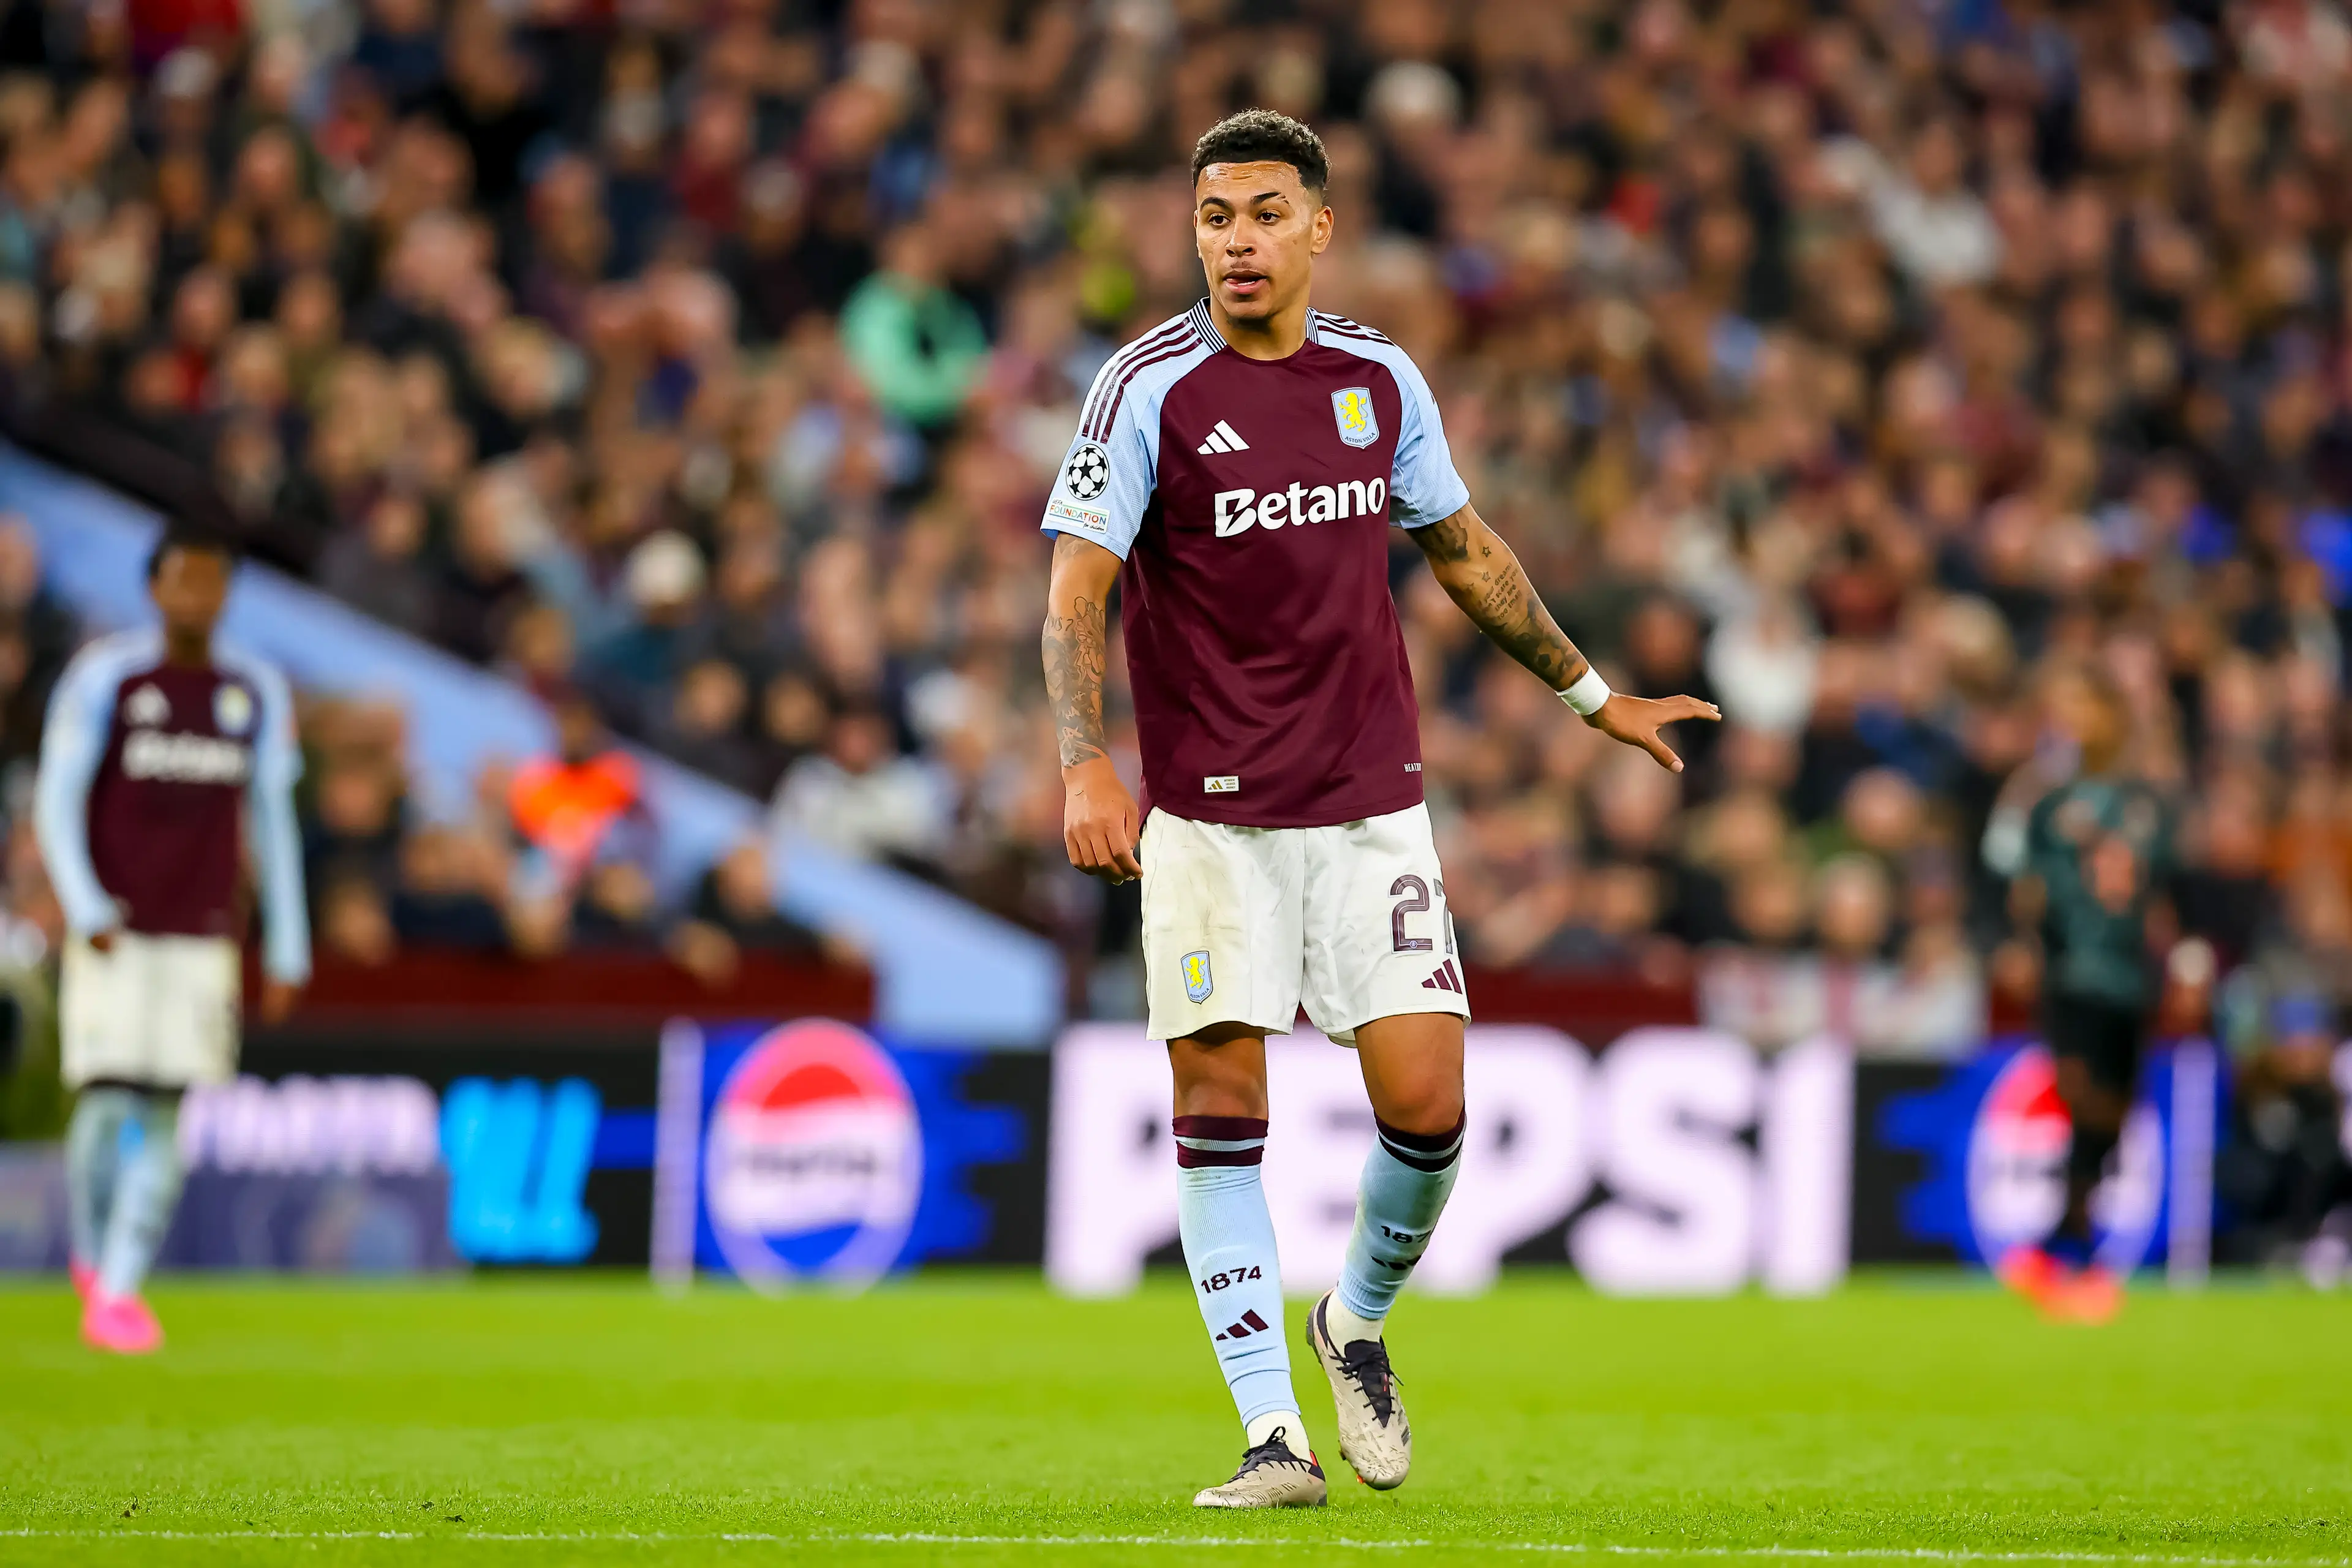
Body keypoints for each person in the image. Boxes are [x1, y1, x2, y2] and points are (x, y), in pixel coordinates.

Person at [1037, 110, 1716, 1509]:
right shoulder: (1144, 385)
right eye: (1215, 215)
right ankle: (1270, 1435)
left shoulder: (1377, 378)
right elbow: (1075, 592)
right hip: (1213, 824)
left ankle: (1352, 1317)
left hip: (1366, 809)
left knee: (1428, 1103)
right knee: (1222, 1109)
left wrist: (1599, 699)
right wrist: (1082, 761)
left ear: (1317, 227)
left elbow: (1461, 549)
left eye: (1264, 213)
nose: (1237, 239)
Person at [32, 525, 309, 1354]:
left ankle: (119, 1286)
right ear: (153, 588)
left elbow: (273, 820)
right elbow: (57, 797)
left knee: (166, 1109)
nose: (199, 599)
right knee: (105, 1100)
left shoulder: (253, 689)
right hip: (117, 926)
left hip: (202, 934)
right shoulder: (107, 678)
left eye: (213, 585)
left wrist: (288, 944)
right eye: (184, 583)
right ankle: (91, 1256)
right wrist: (85, 906)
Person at [1986, 666, 2177, 1324]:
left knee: (2114, 1113)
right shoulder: (2046, 800)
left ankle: (2063, 1246)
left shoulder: (2147, 804)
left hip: (2130, 977)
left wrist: (2184, 964)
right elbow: (2022, 885)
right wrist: (2023, 944)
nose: (2075, 723)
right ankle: (2070, 1251)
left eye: (2086, 709)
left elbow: (2166, 895)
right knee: (2081, 1093)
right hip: (2073, 971)